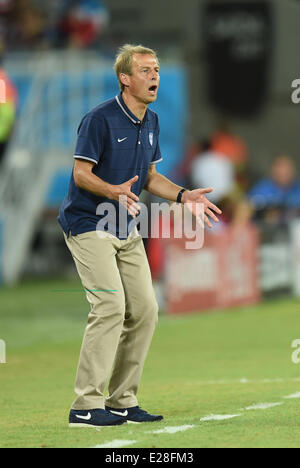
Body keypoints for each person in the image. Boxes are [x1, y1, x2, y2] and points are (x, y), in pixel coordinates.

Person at [58, 44, 221, 428]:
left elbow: (148, 177)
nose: (154, 77)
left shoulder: (152, 121)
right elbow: (81, 174)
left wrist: (184, 195)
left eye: (157, 70)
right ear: (125, 79)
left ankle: (121, 400)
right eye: (146, 70)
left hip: (126, 228)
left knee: (146, 309)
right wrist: (112, 190)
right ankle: (85, 404)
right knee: (110, 307)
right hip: (88, 224)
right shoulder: (98, 119)